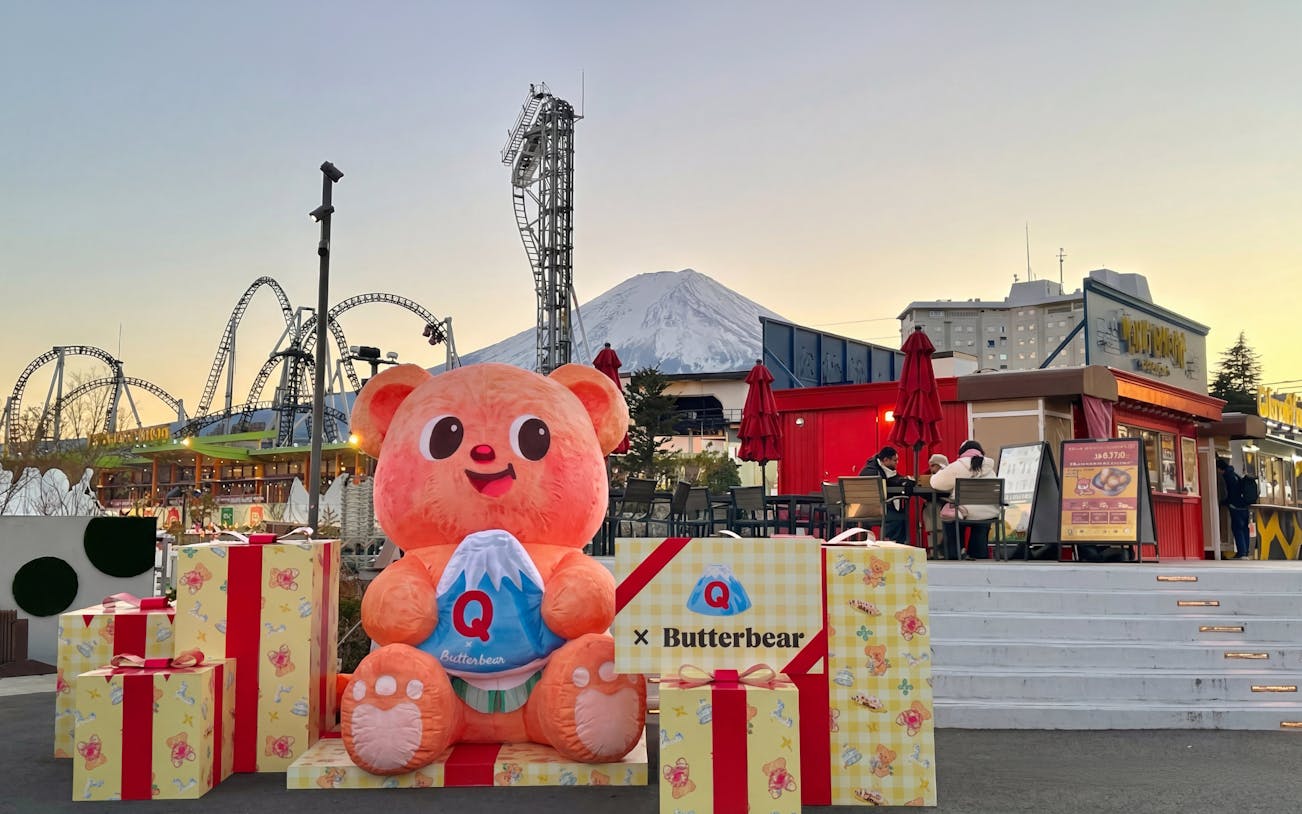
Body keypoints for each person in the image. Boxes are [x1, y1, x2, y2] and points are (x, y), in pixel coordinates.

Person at [929, 440, 999, 560]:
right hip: (988, 514)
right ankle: (979, 554)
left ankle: (954, 553)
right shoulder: (990, 468)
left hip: (965, 513)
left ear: (962, 452)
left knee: (950, 516)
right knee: (981, 518)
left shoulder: (959, 465)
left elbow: (936, 483)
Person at [858, 445, 912, 543]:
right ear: (886, 460)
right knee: (900, 517)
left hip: (861, 510)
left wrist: (902, 480)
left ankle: (892, 542)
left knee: (897, 514)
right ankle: (894, 544)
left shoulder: (874, 468)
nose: (897, 463)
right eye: (895, 460)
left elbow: (890, 479)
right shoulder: (874, 472)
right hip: (874, 510)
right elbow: (886, 482)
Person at [1216, 458, 1252, 559]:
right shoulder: (1236, 475)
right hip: (1244, 505)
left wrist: (1225, 502)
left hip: (1235, 506)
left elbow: (1229, 492)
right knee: (1245, 528)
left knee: (1237, 528)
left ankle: (1241, 552)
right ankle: (1246, 551)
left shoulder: (1227, 476)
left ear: (1220, 469)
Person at [920, 454, 950, 557]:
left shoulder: (947, 475)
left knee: (939, 529)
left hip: (943, 505)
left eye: (933, 465)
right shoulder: (927, 475)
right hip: (931, 504)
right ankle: (933, 551)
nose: (931, 468)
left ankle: (940, 552)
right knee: (931, 531)